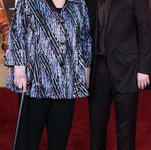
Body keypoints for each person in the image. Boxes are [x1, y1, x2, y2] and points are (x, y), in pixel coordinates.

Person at [5, 0, 92, 149]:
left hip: (66, 84)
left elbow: (85, 39)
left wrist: (85, 74)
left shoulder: (78, 3)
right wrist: (19, 70)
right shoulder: (28, 2)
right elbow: (17, 33)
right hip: (34, 83)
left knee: (59, 143)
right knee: (27, 142)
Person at [86, 0, 151, 149]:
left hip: (127, 70)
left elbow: (146, 30)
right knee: (96, 130)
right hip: (98, 70)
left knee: (126, 132)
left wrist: (144, 68)